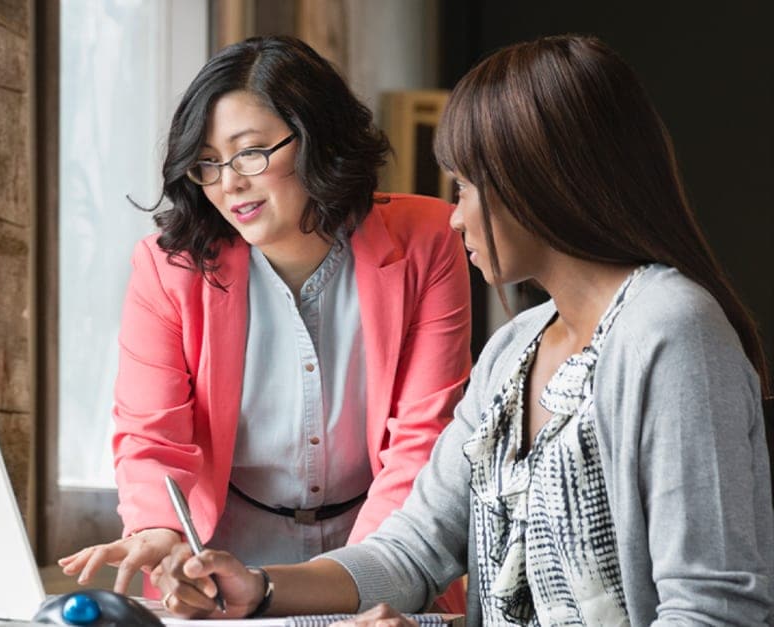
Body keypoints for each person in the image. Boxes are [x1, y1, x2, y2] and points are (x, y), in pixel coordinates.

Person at [152, 34, 774, 626]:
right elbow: (413, 550)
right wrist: (259, 587)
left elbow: (712, 610)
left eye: (469, 186)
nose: (454, 216)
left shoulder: (670, 332)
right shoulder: (514, 349)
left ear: (545, 181)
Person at [58, 35, 472, 613]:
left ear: (317, 138)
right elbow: (151, 437)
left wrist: (362, 580)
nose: (228, 182)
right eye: (207, 162)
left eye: (250, 153)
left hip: (381, 558)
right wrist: (158, 529)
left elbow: (423, 442)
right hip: (225, 578)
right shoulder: (168, 267)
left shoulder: (427, 239)